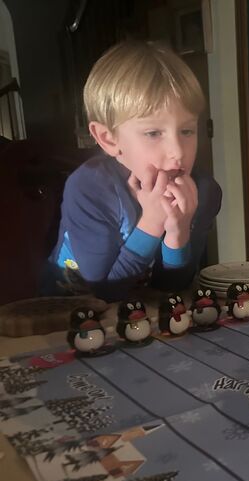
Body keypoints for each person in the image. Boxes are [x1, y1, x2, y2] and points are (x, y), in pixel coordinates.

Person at [43, 40, 221, 302]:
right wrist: (152, 222)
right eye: (153, 133)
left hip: (139, 313)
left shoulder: (202, 192)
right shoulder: (89, 188)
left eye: (187, 131)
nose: (178, 152)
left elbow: (170, 287)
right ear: (108, 139)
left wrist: (178, 231)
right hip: (64, 315)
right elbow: (102, 293)